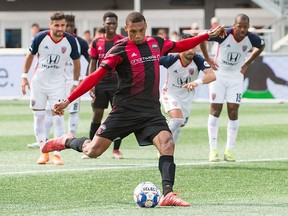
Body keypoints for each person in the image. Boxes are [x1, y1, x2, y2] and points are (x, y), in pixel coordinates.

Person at [42, 12, 225, 206]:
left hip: (150, 111)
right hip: (125, 111)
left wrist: (208, 35)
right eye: (133, 32)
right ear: (126, 30)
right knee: (93, 151)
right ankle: (66, 140)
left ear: (146, 27)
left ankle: (168, 194)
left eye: (141, 31)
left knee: (167, 144)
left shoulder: (156, 43)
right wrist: (68, 100)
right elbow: (95, 77)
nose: (137, 35)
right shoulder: (119, 50)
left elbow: (181, 46)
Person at [199, 14, 265, 162]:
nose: (242, 29)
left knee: (233, 112)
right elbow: (202, 38)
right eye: (239, 26)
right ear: (234, 25)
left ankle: (229, 151)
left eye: (245, 27)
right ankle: (213, 150)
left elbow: (261, 45)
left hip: (236, 78)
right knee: (215, 110)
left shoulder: (251, 38)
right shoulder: (224, 34)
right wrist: (208, 59)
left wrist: (247, 63)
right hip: (218, 75)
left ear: (248, 27)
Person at [21, 11, 81, 165]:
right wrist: (24, 77)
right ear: (50, 25)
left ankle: (57, 155)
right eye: (57, 25)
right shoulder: (40, 37)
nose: (60, 28)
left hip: (58, 85)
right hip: (38, 84)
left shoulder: (71, 41)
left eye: (63, 25)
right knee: (39, 118)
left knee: (58, 119)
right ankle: (43, 152)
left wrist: (75, 82)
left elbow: (76, 61)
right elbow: (29, 56)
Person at [160, 34, 216, 145]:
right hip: (170, 93)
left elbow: (212, 76)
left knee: (180, 126)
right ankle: (162, 144)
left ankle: (169, 150)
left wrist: (196, 82)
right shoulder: (171, 59)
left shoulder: (198, 59)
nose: (191, 51)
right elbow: (152, 62)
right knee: (177, 120)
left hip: (186, 98)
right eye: (188, 47)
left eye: (193, 47)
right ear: (181, 47)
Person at [87, 12, 125, 159]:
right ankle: (90, 146)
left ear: (117, 24)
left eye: (113, 23)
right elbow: (92, 63)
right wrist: (92, 82)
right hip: (101, 84)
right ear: (103, 24)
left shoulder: (122, 41)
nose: (111, 25)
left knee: (117, 116)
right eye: (108, 23)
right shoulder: (97, 42)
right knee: (97, 115)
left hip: (118, 84)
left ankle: (116, 150)